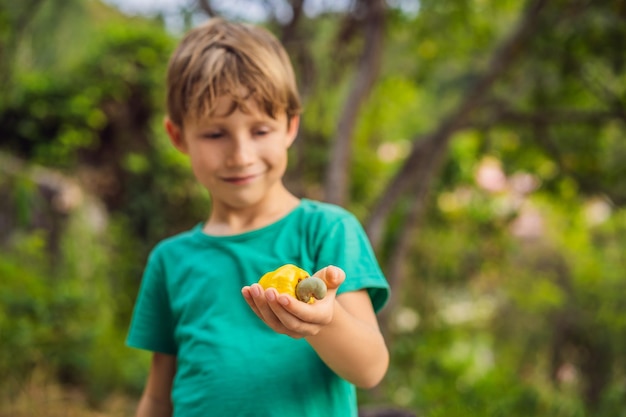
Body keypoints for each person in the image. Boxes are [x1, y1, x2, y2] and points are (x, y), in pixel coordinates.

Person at [126, 17, 390, 417]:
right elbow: (159, 396)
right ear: (178, 136)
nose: (241, 155)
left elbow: (370, 369)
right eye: (215, 134)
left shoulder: (328, 232)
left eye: (261, 131)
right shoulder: (169, 260)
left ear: (290, 127)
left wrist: (325, 320)